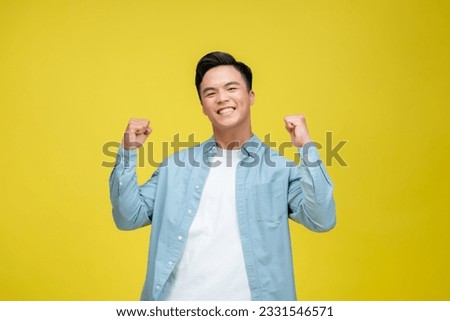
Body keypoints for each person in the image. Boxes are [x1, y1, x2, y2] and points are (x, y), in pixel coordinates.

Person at [109, 51, 336, 301]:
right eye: (210, 92)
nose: (221, 98)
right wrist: (128, 153)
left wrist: (306, 148)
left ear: (250, 97)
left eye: (231, 88)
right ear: (203, 107)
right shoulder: (175, 167)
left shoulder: (280, 170)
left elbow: (322, 220)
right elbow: (128, 218)